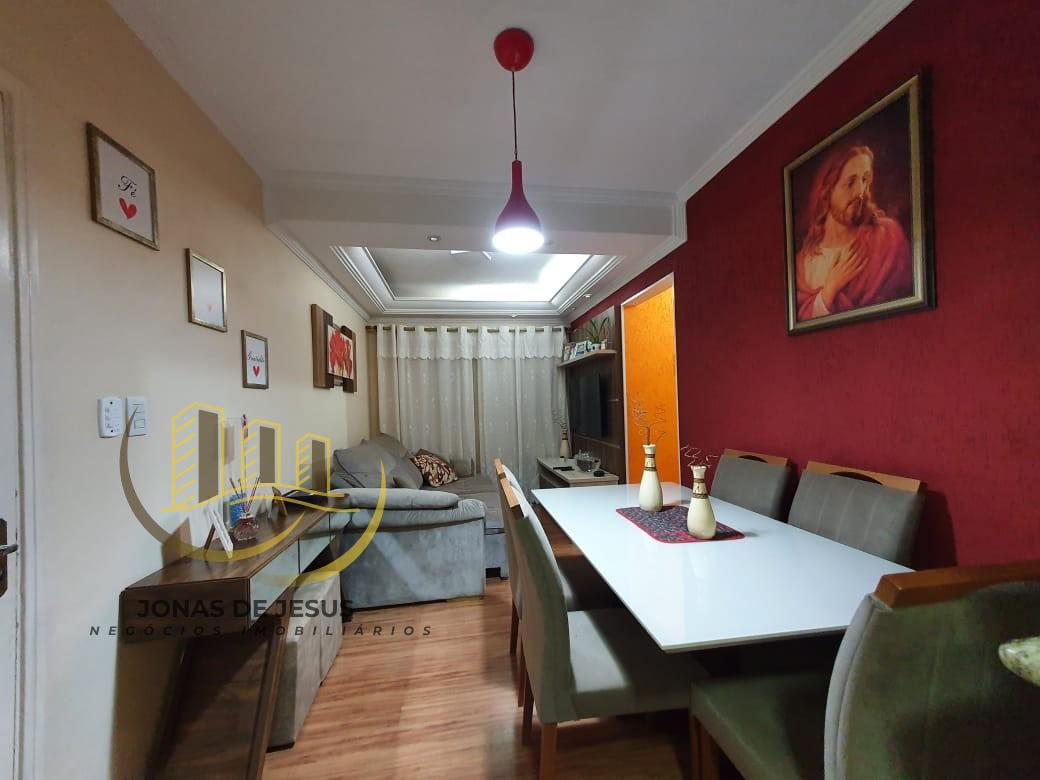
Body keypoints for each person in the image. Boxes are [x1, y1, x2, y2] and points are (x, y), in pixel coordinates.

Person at [795, 144, 912, 320]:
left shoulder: (888, 237)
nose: (861, 192)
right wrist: (830, 290)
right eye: (850, 183)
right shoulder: (803, 263)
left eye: (865, 180)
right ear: (827, 191)